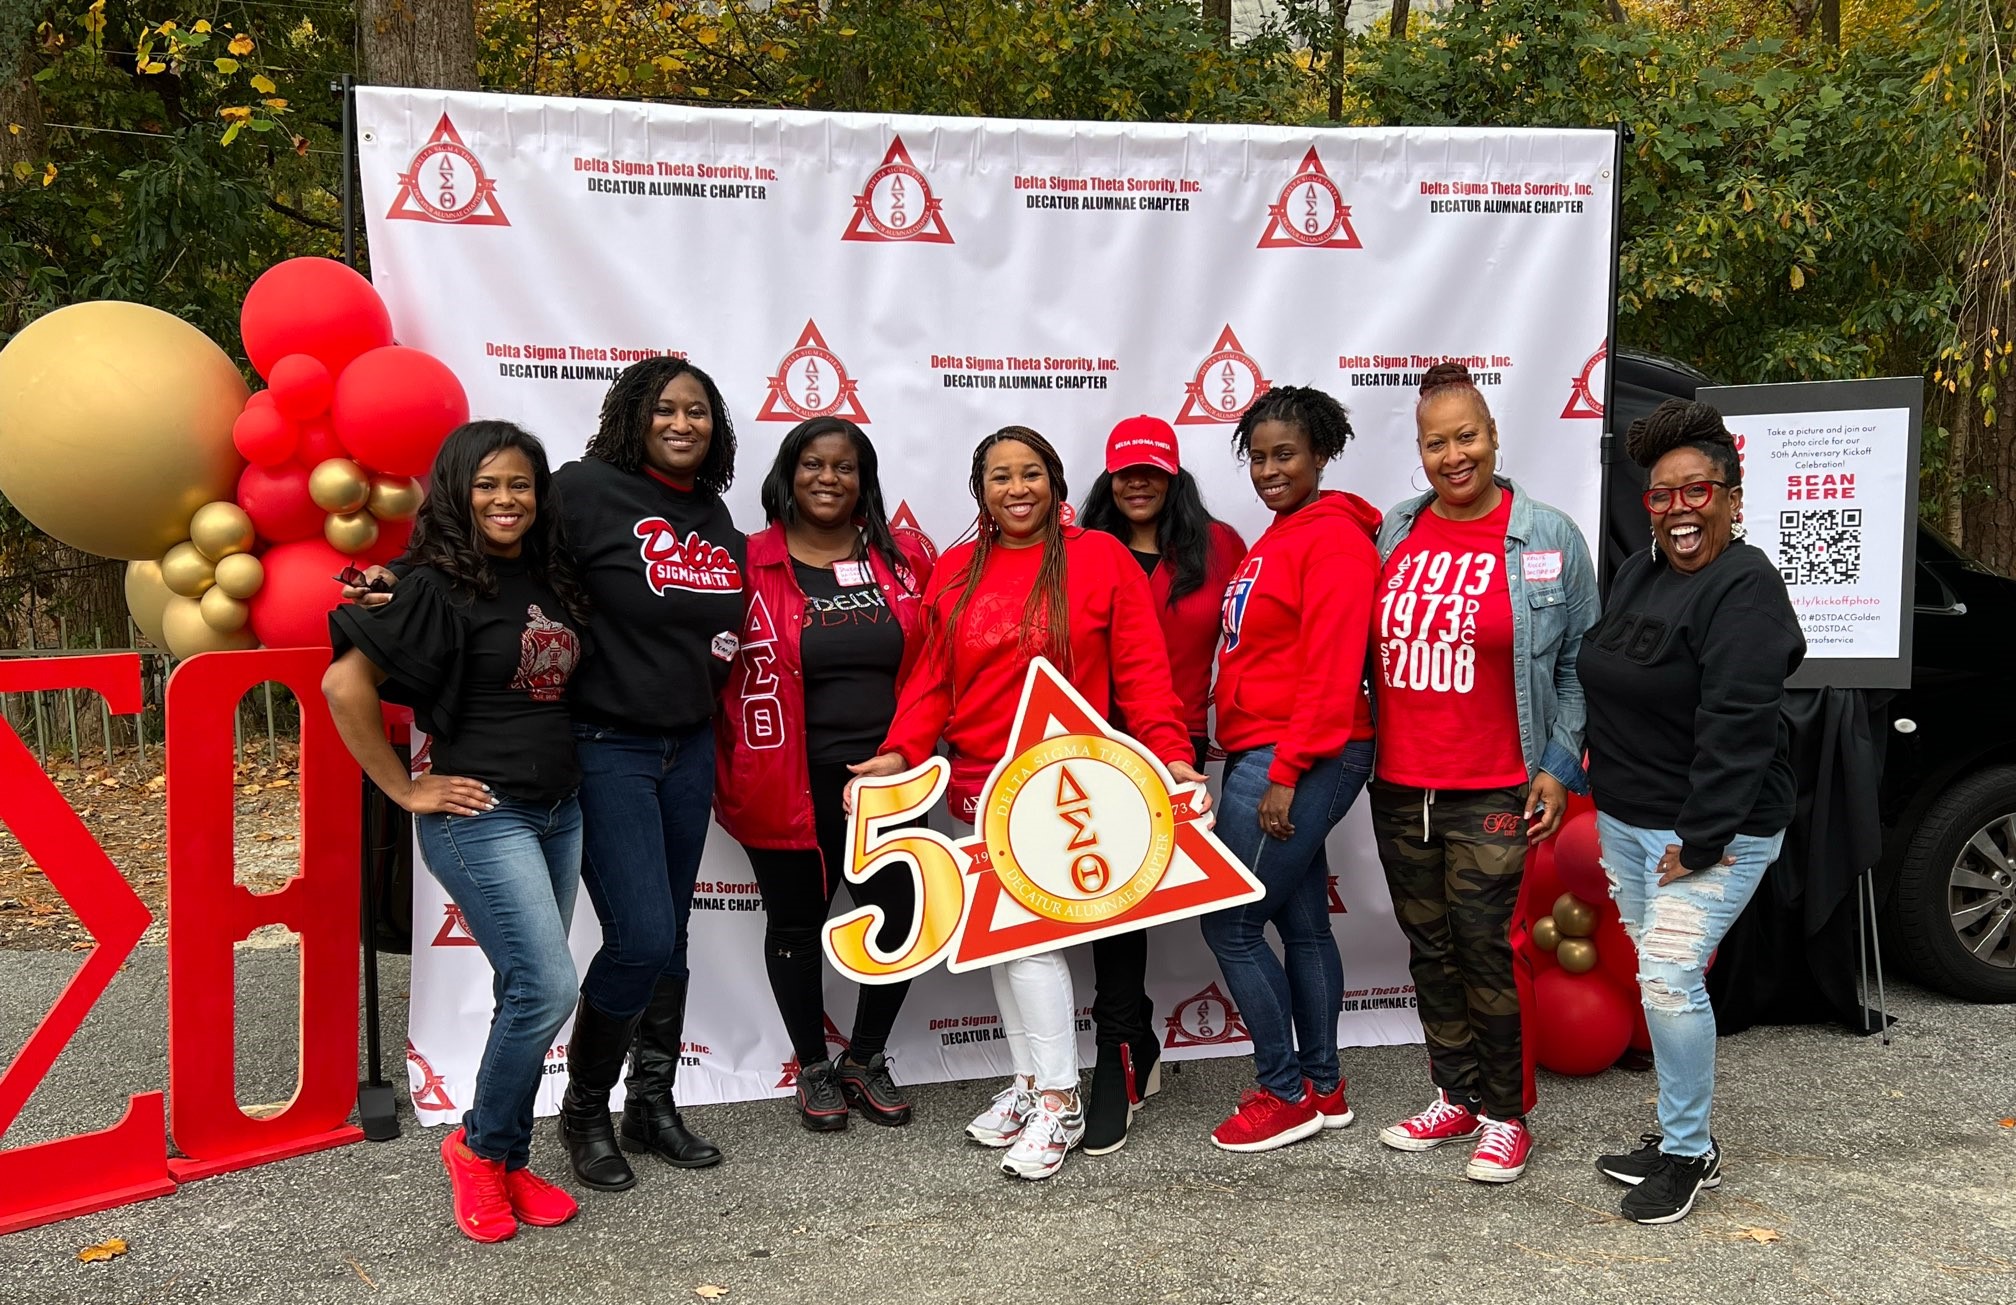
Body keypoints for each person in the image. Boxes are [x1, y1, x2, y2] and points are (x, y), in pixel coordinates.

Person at [849, 426, 1211, 1181]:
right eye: (999, 477)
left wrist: (1174, 758)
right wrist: (899, 752)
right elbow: (931, 685)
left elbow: (1144, 676)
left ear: (1055, 482)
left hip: (1065, 784)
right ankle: (1025, 1080)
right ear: (979, 489)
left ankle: (1059, 1098)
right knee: (1002, 947)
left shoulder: (1101, 558)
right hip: (981, 787)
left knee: (1033, 945)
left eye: (1031, 474)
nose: (1016, 489)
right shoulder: (954, 569)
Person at [323, 422, 591, 1243]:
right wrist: (404, 786)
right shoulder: (430, 582)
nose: (506, 500)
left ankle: (504, 1157)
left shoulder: (545, 575)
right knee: (548, 986)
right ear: (455, 492)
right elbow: (344, 683)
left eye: (519, 484)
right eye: (487, 486)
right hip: (485, 814)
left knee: (527, 988)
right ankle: (477, 1152)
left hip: (560, 809)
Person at [1369, 363, 1600, 1184]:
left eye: (1466, 436)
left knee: (1486, 947)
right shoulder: (1395, 530)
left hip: (1498, 784)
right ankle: (1454, 1093)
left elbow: (1581, 665)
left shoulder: (1547, 537)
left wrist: (1558, 765)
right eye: (1436, 442)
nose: (1453, 455)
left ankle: (1507, 1112)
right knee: (1429, 946)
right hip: (1401, 783)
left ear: (1494, 434)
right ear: (1421, 451)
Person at [1578, 398, 1804, 1225]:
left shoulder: (1745, 590)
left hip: (1715, 828)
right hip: (1629, 819)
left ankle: (1688, 1150)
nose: (1678, 508)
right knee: (1657, 973)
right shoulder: (1641, 571)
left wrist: (1702, 838)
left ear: (1733, 498)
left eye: (1697, 491)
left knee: (1670, 979)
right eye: (1661, 494)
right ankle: (1678, 1131)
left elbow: (1739, 727)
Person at [714, 417, 934, 1132]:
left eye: (844, 466)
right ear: (788, 472)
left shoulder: (903, 563)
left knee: (897, 923)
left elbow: (936, 670)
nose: (828, 477)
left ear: (864, 480)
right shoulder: (748, 561)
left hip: (890, 780)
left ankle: (865, 1057)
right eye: (813, 462)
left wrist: (905, 748)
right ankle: (813, 1064)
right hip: (785, 781)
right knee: (798, 923)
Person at [1201, 385, 1381, 1153]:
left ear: (1321, 455)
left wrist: (1286, 770)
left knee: (1231, 923)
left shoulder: (1332, 537)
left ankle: (1284, 1092)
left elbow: (1334, 666)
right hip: (1272, 747)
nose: (1271, 469)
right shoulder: (1278, 534)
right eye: (1260, 456)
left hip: (1302, 750)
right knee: (1303, 924)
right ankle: (1325, 1083)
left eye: (1287, 455)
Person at [1075, 414, 1245, 1154]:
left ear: (1173, 475)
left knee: (1129, 898)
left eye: (1151, 469)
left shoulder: (1220, 546)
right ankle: (1124, 1045)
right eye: (1124, 471)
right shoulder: (1080, 551)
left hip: (1175, 749)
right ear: (1109, 478)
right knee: (1105, 903)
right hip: (1088, 749)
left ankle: (1128, 1042)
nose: (1137, 482)